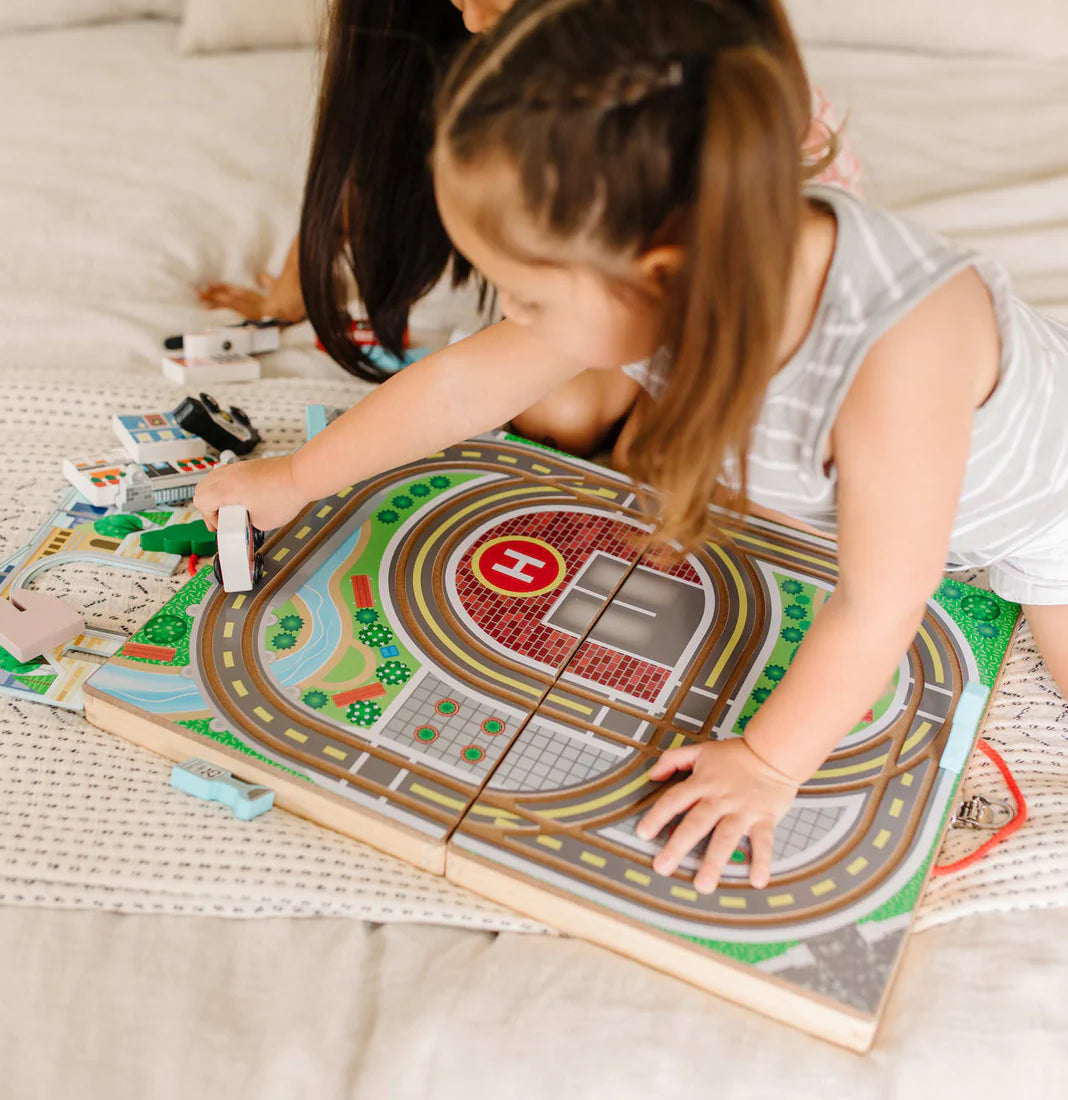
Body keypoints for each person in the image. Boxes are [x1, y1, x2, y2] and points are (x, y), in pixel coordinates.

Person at [198, 0, 1068, 895]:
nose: (513, 320)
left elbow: (882, 603)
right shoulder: (673, 252)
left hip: (1045, 519)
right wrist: (297, 476)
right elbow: (467, 385)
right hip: (899, 501)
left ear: (652, 273)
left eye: (528, 299)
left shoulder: (899, 346)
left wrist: (769, 766)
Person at [197, 0, 860, 457]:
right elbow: (375, 159)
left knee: (664, 450)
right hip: (649, 261)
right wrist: (292, 290)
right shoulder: (491, 60)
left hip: (734, 288)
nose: (467, 11)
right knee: (559, 410)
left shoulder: (674, 119)